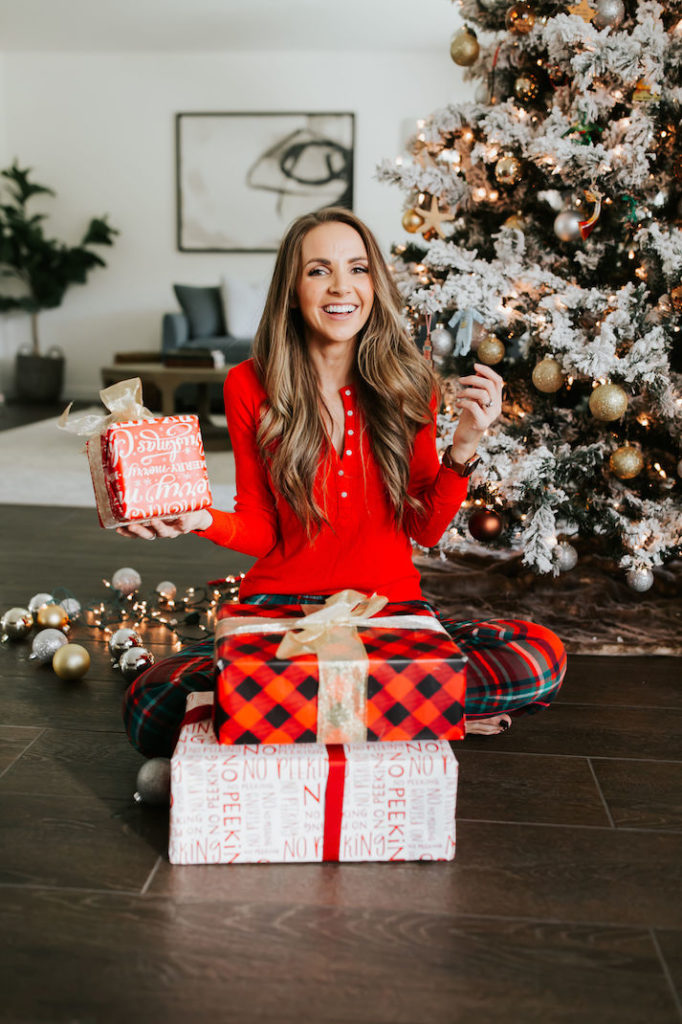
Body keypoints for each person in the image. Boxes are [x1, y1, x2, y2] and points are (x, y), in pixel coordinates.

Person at [119, 207, 566, 757]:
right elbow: (261, 530)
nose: (341, 287)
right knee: (148, 705)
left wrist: (466, 444)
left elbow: (424, 530)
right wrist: (201, 518)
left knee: (540, 657)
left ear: (374, 284)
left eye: (357, 269)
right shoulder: (249, 384)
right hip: (279, 609)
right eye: (318, 270)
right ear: (291, 289)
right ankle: (409, 705)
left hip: (386, 609)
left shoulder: (411, 383)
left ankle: (284, 706)